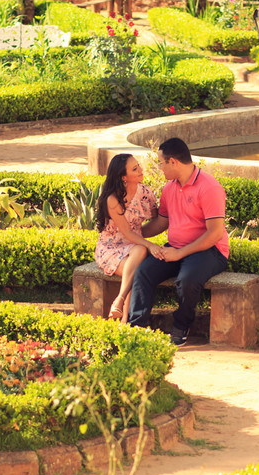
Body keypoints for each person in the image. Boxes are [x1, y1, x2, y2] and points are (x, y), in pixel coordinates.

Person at [128, 137, 229, 346]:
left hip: (210, 251)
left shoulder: (209, 187)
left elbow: (215, 233)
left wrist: (180, 253)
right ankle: (135, 329)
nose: (160, 168)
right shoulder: (169, 188)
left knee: (187, 280)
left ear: (173, 161)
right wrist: (132, 233)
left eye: (161, 163)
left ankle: (181, 325)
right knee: (144, 271)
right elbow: (161, 223)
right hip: (175, 249)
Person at [94, 153, 163, 321]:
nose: (140, 170)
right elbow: (127, 232)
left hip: (134, 245)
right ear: (123, 177)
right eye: (135, 169)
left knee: (138, 253)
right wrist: (150, 245)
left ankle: (120, 303)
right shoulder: (113, 199)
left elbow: (157, 218)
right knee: (135, 268)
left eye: (138, 166)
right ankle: (125, 319)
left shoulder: (146, 192)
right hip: (111, 247)